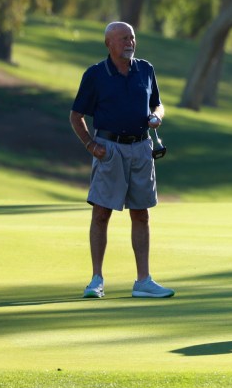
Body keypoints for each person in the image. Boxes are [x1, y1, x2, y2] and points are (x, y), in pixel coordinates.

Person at [68, 21, 175, 299]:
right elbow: (76, 115)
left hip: (141, 148)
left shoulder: (146, 69)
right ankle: (96, 280)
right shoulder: (95, 74)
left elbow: (157, 103)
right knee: (101, 213)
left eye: (133, 38)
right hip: (109, 149)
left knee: (141, 214)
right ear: (109, 44)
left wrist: (157, 116)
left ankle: (143, 281)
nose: (130, 42)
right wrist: (90, 144)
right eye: (124, 38)